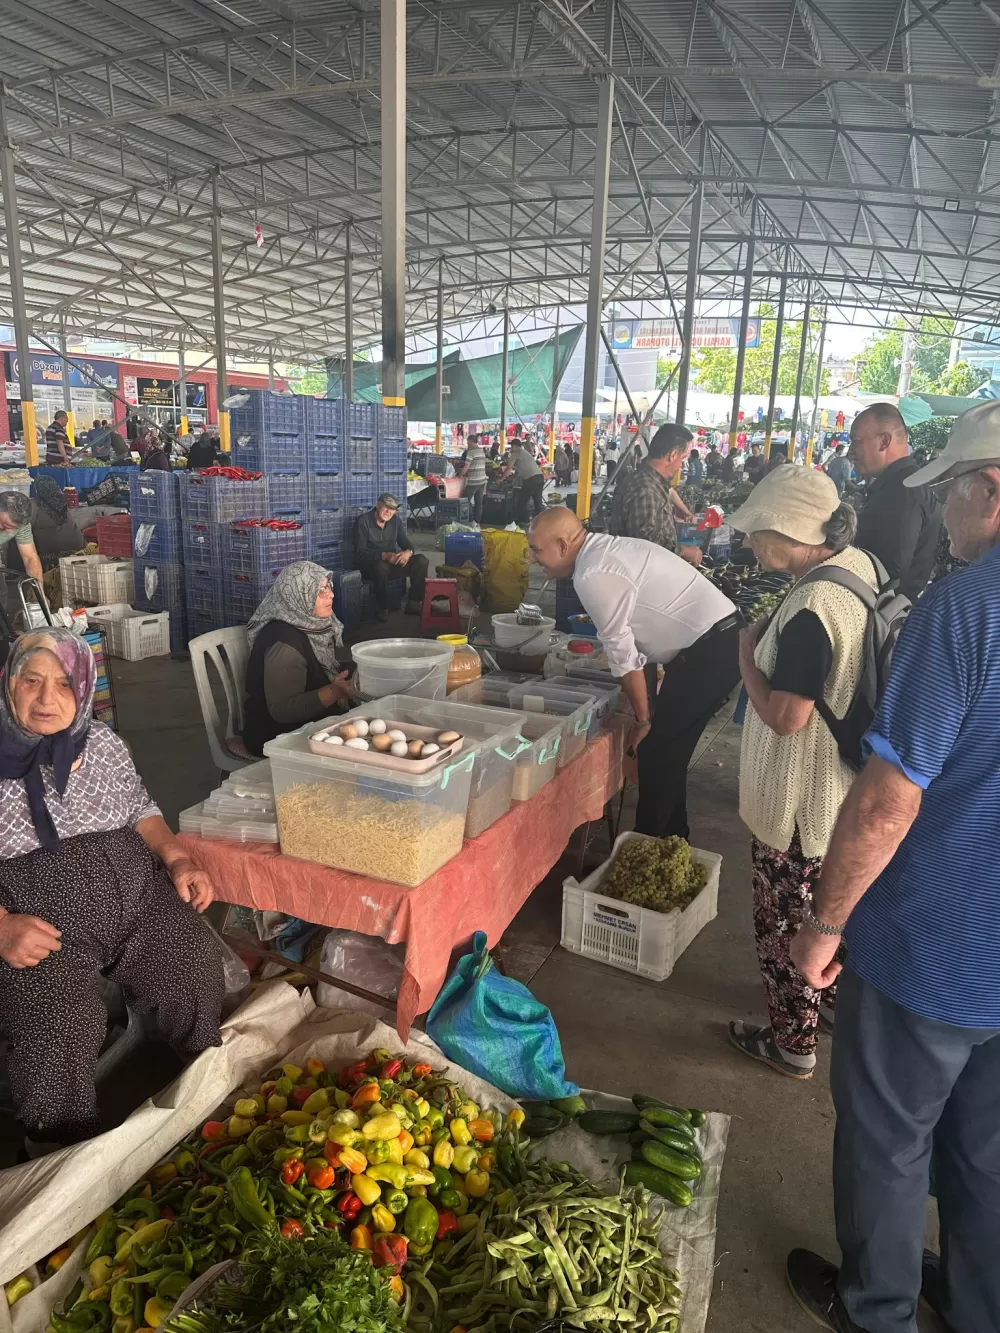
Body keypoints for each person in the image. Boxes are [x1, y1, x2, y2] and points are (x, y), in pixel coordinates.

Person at [784, 398, 1000, 1333]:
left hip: (930, 942)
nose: (938, 515)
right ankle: (974, 1302)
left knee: (887, 1138)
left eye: (948, 494)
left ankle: (876, 1310)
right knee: (988, 1154)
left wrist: (824, 924)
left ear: (988, 492)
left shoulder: (964, 608)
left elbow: (886, 799)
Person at [0, 630, 224, 1145]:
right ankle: (61, 1157)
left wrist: (179, 859)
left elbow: (140, 810)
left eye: (64, 685)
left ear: (83, 689)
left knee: (193, 967)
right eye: (31, 681)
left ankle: (202, 1089)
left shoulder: (100, 742)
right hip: (37, 923)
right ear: (9, 682)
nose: (47, 699)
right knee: (55, 1034)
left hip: (135, 896)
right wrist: (4, 927)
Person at [725, 467, 874, 1080]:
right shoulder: (857, 566)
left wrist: (746, 661)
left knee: (786, 928)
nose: (752, 544)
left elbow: (788, 717)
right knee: (826, 918)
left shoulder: (813, 606)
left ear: (791, 531)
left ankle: (791, 1042)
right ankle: (826, 1005)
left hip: (798, 803)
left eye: (759, 532)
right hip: (837, 791)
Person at [528, 508, 739, 840]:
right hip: (712, 643)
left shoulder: (592, 572)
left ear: (563, 544)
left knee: (657, 753)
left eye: (537, 550)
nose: (532, 559)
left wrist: (642, 722)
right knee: (667, 753)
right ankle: (672, 841)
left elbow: (623, 653)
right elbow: (640, 642)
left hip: (710, 650)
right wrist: (648, 709)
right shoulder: (604, 550)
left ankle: (653, 848)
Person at [242, 562, 354, 756]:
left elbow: (314, 668)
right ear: (299, 595)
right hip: (276, 736)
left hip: (305, 725)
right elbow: (282, 711)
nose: (331, 595)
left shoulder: (309, 625)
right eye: (320, 590)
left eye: (329, 586)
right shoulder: (285, 645)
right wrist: (332, 693)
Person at [849, 402, 943, 601]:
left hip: (882, 613)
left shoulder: (904, 490)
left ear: (884, 441)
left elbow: (888, 574)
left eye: (856, 442)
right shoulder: (901, 483)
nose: (850, 451)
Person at [608, 423, 702, 567]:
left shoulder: (653, 482)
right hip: (641, 574)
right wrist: (683, 551)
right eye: (682, 459)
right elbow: (644, 539)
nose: (680, 466)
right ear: (673, 455)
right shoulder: (645, 488)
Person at [353, 493, 428, 620]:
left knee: (421, 560)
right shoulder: (363, 521)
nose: (388, 512)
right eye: (385, 507)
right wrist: (384, 555)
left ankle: (413, 603)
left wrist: (407, 553)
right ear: (377, 505)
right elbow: (360, 554)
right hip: (370, 567)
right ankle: (383, 608)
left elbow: (407, 544)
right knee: (380, 567)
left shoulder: (395, 521)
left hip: (391, 564)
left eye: (392, 509)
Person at [7, 478, 84, 575]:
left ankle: (16, 574)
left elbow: (22, 526)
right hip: (77, 548)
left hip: (50, 553)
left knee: (17, 540)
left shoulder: (33, 505)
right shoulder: (62, 502)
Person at [0, 491, 44, 587]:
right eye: (4, 525)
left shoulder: (22, 523)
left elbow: (30, 558)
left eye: (13, 528)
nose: (9, 531)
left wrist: (39, 595)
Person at [501, 439, 545, 523]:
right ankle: (540, 523)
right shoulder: (525, 452)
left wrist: (501, 479)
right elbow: (519, 469)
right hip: (539, 477)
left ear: (514, 446)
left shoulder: (515, 453)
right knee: (537, 502)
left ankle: (523, 522)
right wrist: (513, 477)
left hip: (530, 479)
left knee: (522, 502)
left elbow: (508, 468)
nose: (511, 448)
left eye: (511, 446)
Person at [458, 432, 488, 523]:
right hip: (482, 480)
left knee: (465, 499)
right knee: (479, 501)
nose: (467, 444)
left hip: (474, 481)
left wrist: (460, 475)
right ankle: (477, 521)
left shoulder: (471, 452)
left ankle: (471, 519)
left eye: (468, 442)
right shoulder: (481, 451)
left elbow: (466, 467)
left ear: (471, 442)